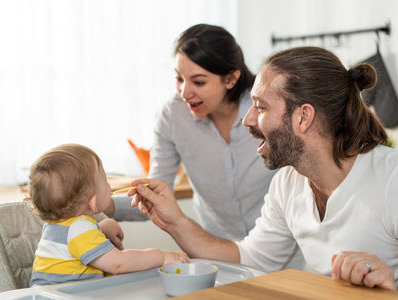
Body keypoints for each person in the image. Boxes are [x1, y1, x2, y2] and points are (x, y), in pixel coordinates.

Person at [127, 46, 398, 291]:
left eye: (261, 106)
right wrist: (174, 221)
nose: (247, 120)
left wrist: (391, 292)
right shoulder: (288, 184)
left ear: (304, 117)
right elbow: (251, 258)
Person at [109, 24, 283, 243]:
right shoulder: (173, 116)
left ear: (231, 79)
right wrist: (102, 204)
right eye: (179, 79)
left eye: (198, 82)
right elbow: (154, 195)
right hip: (217, 250)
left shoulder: (269, 109)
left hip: (280, 250)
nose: (184, 92)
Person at [28, 144, 189, 286]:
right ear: (93, 201)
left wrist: (101, 229)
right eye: (105, 180)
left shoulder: (57, 226)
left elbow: (76, 247)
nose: (109, 186)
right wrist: (162, 256)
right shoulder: (79, 228)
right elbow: (119, 264)